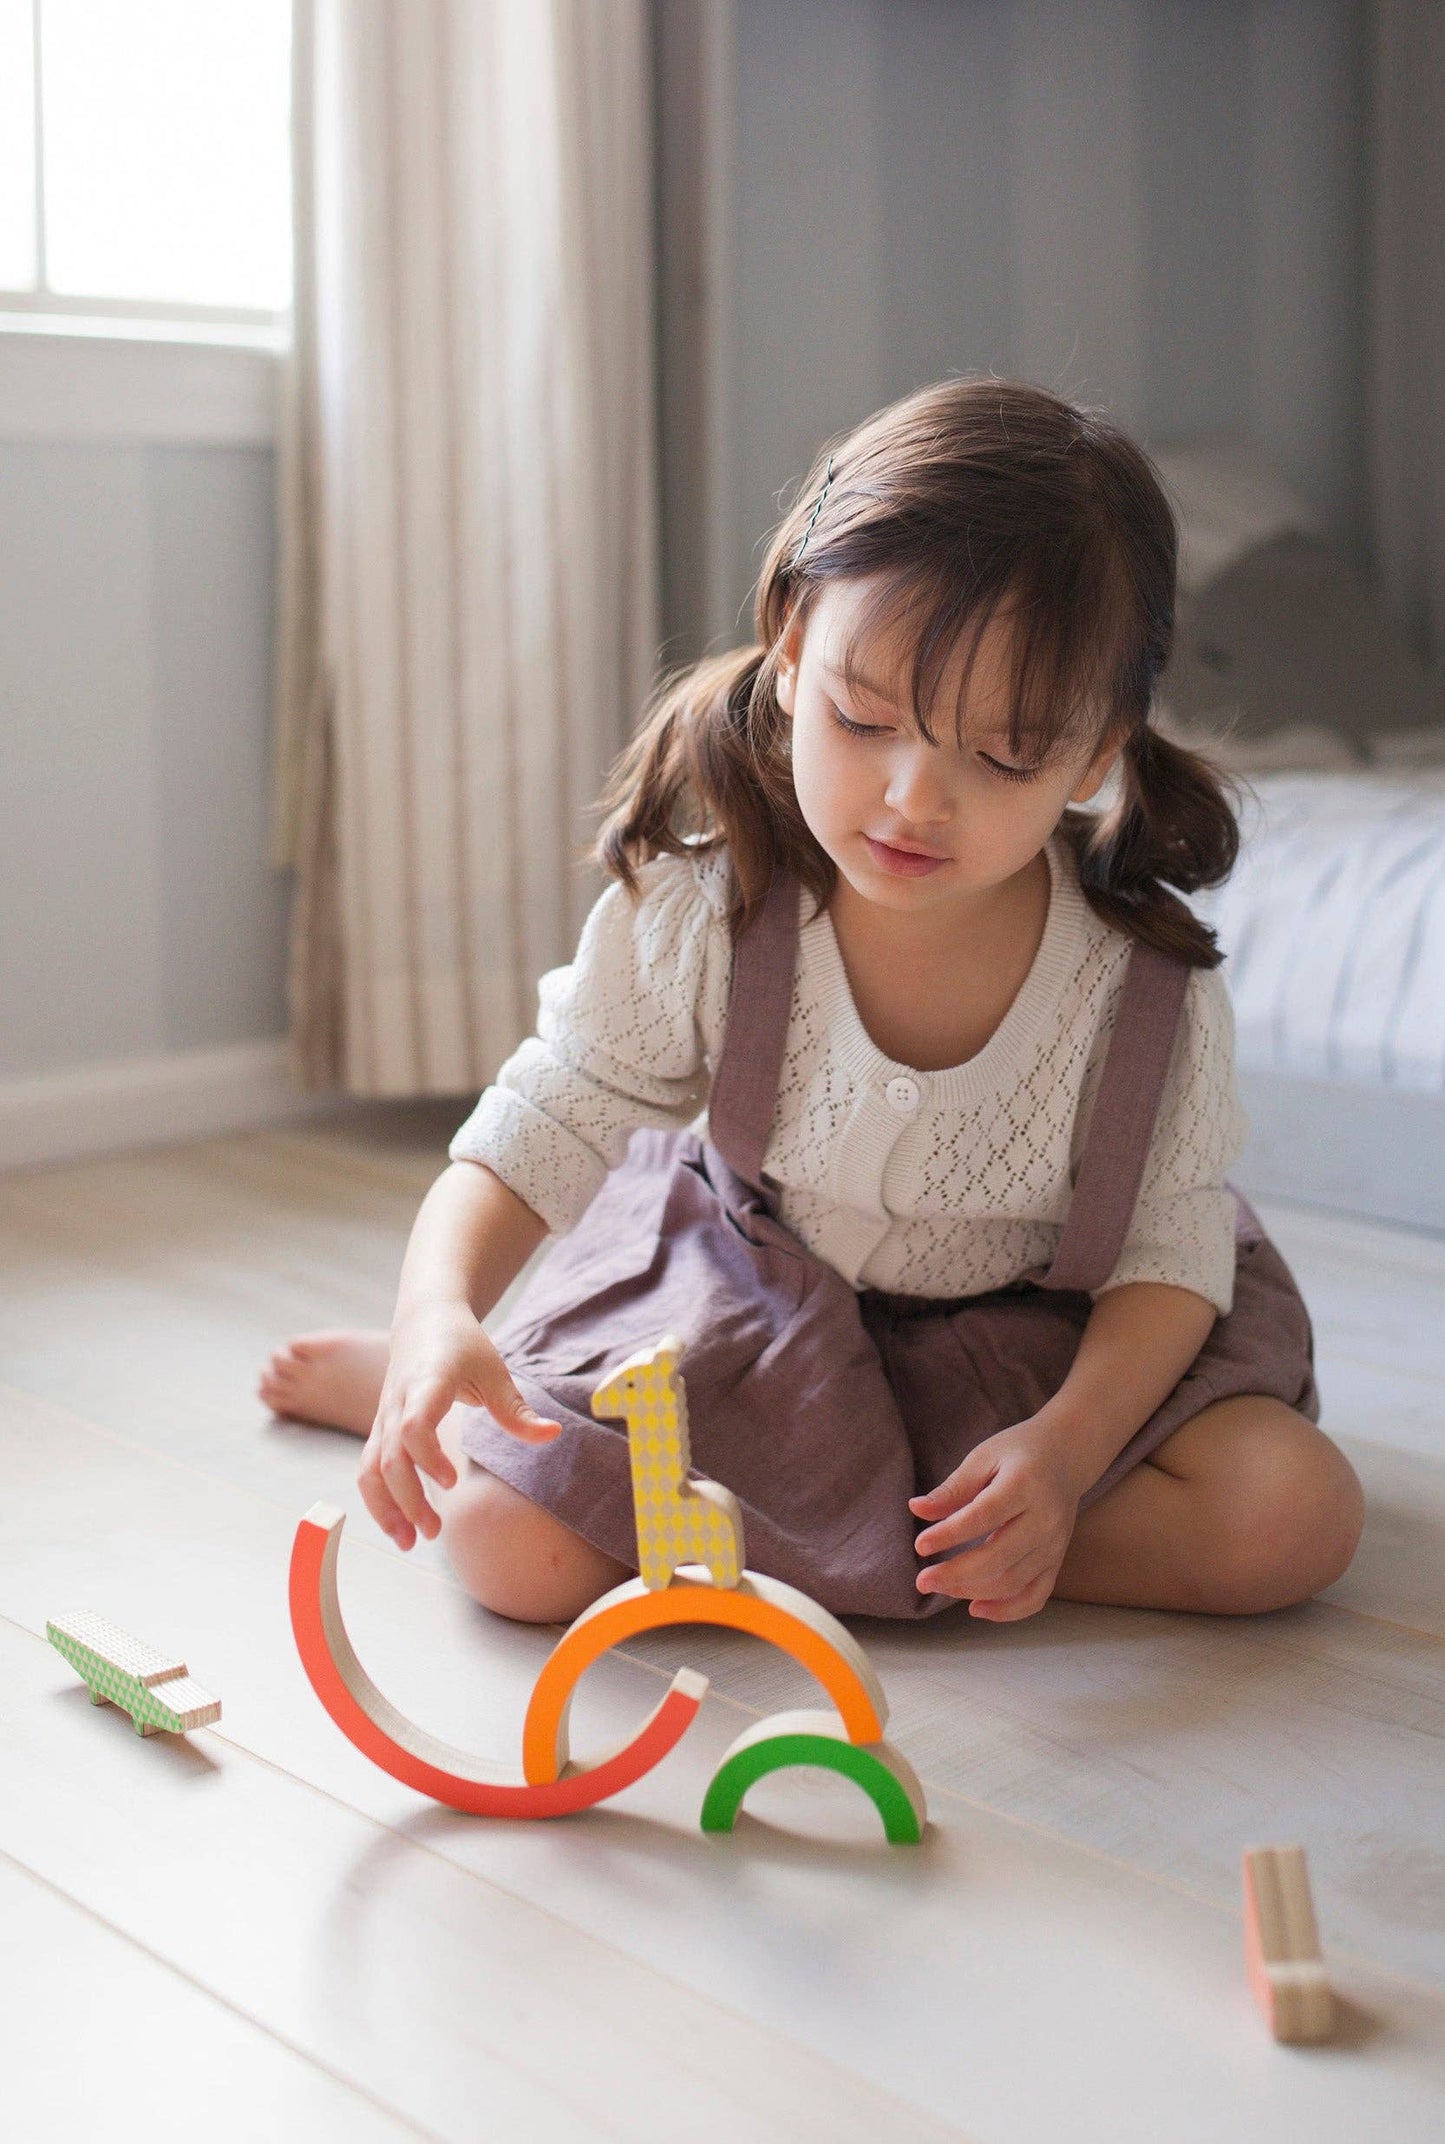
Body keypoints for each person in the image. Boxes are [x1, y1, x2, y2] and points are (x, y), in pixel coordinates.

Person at [260, 375, 1364, 1629]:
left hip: (1037, 1346)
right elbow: (540, 1124)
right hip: (750, 1296)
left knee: (1292, 1519)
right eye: (862, 716)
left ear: (1098, 748)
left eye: (1001, 755)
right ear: (790, 649)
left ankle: (839, 1523)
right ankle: (457, 1382)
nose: (910, 797)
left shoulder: (1142, 988)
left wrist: (1060, 1456)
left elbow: (1172, 1255)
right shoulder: (708, 911)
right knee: (508, 1550)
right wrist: (434, 1310)